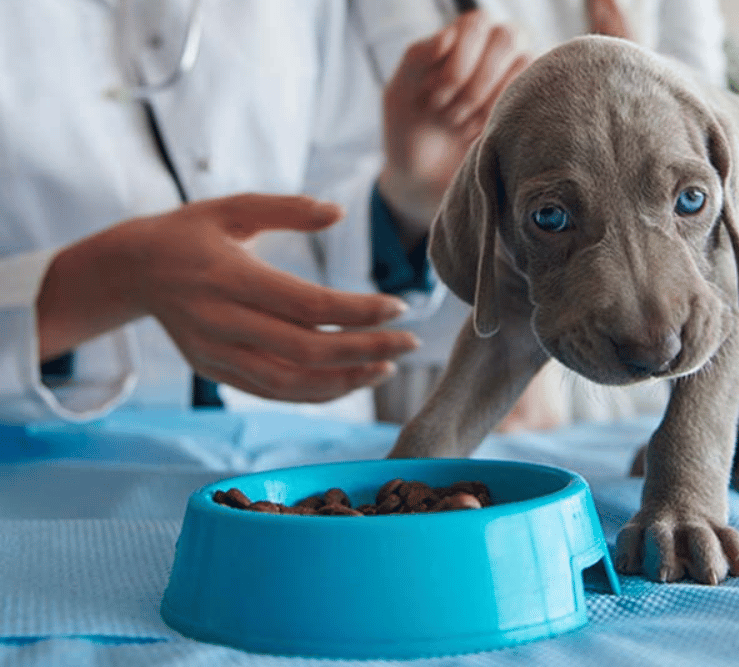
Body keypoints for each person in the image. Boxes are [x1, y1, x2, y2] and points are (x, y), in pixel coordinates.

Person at [0, 1, 531, 427]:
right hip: (46, 470)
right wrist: (110, 280)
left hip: (308, 455)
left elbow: (322, 215)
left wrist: (409, 202)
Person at [350, 0, 727, 429]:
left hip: (637, 398)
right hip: (447, 360)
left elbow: (705, 129)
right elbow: (319, 197)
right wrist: (413, 194)